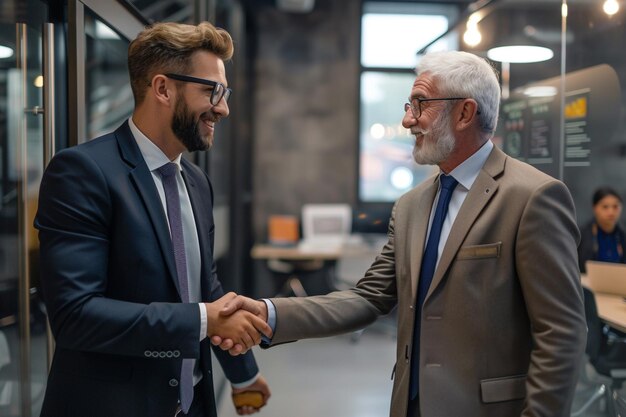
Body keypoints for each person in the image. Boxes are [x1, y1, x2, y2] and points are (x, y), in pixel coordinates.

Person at [215, 51, 587, 417]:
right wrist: (268, 312)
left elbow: (561, 332)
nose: (408, 120)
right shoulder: (412, 204)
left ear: (464, 113)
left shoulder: (533, 197)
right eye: (408, 105)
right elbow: (369, 297)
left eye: (420, 104)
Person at [35, 22, 272, 417]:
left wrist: (242, 374)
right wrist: (202, 319)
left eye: (225, 93)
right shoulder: (82, 172)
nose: (224, 108)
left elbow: (203, 285)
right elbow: (75, 316)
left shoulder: (196, 181)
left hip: (193, 404)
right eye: (212, 91)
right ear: (163, 88)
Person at [578, 186, 626, 273]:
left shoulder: (623, 235)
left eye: (615, 207)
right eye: (605, 207)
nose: (611, 212)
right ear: (595, 208)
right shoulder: (581, 235)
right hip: (587, 283)